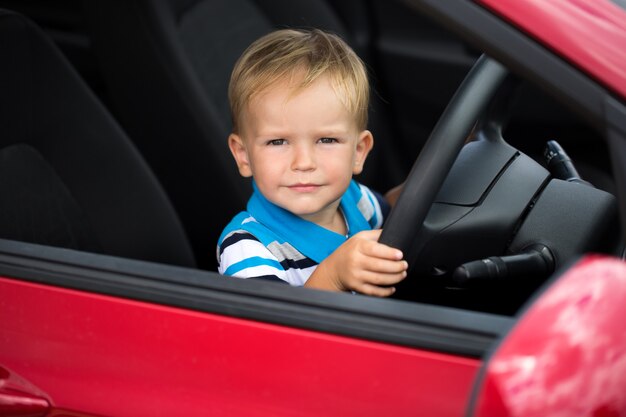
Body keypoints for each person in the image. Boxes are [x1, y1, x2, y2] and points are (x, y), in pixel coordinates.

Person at [217, 28, 407, 297]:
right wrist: (333, 276)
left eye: (326, 140)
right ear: (244, 155)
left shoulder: (355, 200)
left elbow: (399, 213)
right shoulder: (247, 246)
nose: (303, 163)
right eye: (278, 142)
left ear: (358, 152)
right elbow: (275, 334)